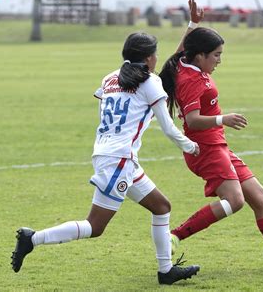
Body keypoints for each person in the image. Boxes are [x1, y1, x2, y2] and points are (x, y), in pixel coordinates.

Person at [11, 32, 201, 285]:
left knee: (161, 207)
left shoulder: (110, 78)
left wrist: (191, 25)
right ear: (148, 57)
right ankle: (32, 238)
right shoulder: (150, 82)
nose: (157, 57)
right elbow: (167, 127)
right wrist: (190, 146)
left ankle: (166, 271)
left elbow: (121, 105)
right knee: (95, 226)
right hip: (119, 160)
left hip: (113, 155)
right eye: (155, 53)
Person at [159, 0, 263, 270]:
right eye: (216, 55)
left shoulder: (186, 65)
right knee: (234, 201)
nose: (220, 60)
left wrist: (193, 24)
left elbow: (181, 51)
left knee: (260, 197)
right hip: (204, 150)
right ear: (200, 56)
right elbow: (192, 120)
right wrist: (225, 118)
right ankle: (174, 236)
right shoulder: (190, 80)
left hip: (217, 145)